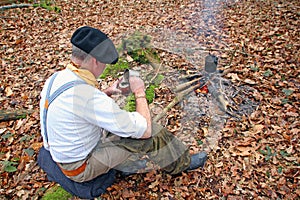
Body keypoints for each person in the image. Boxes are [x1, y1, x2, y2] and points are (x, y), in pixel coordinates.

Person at [37, 26, 207, 199]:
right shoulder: (88, 97)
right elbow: (145, 129)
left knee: (119, 127)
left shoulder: (58, 78)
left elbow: (80, 107)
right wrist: (139, 91)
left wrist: (108, 92)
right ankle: (181, 164)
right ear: (95, 61)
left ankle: (123, 163)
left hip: (62, 154)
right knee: (152, 134)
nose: (103, 67)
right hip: (80, 167)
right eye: (103, 63)